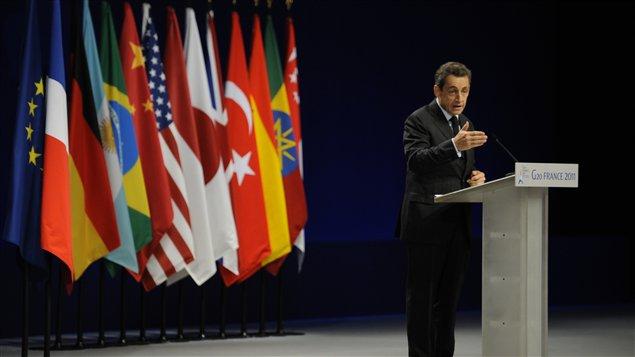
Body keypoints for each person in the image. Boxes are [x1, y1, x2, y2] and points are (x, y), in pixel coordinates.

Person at [398, 61, 487, 357]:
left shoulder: (465, 124)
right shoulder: (418, 120)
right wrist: (453, 145)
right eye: (452, 91)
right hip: (426, 224)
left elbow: (456, 171)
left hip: (456, 225)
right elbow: (416, 160)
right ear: (437, 90)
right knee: (422, 302)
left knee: (448, 303)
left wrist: (475, 179)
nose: (459, 98)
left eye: (465, 91)